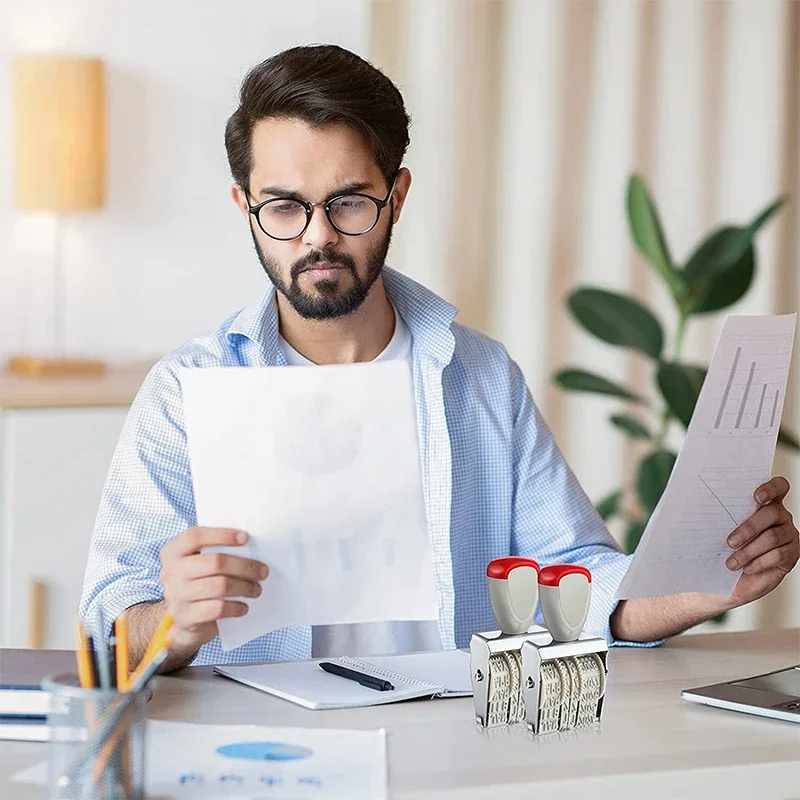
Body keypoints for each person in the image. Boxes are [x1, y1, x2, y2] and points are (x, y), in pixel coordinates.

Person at [79, 44, 799, 673]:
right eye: (285, 207)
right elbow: (107, 628)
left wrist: (705, 587)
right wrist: (170, 621)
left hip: (452, 747)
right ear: (245, 206)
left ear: (397, 196)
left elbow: (569, 581)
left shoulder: (480, 374)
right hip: (264, 757)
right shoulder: (188, 389)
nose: (317, 238)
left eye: (350, 202)